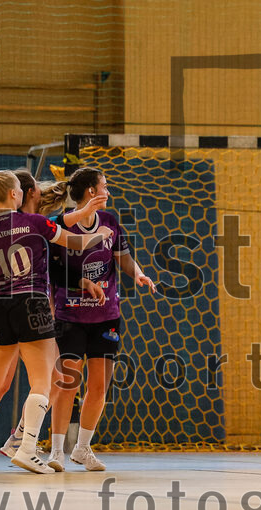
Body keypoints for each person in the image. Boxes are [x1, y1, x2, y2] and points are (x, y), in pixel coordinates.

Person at [0, 170, 111, 473]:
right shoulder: (34, 223)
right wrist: (99, 236)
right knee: (44, 380)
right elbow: (74, 242)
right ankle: (26, 448)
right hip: (31, 302)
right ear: (14, 194)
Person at [38, 167, 155, 471]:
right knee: (68, 383)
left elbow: (123, 257)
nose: (108, 190)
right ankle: (56, 452)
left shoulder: (111, 222)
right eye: (104, 185)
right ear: (92, 191)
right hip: (70, 314)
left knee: (99, 386)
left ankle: (82, 448)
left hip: (106, 316)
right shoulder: (61, 226)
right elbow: (56, 272)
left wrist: (138, 273)